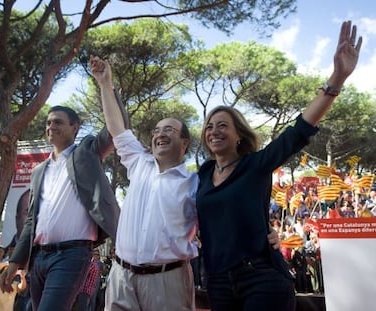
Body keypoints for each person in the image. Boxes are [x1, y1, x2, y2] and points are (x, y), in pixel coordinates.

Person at [195, 20, 362, 311]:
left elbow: (297, 132)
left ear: (239, 136)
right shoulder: (203, 175)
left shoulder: (256, 165)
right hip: (218, 283)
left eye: (223, 125)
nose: (214, 131)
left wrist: (337, 78)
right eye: (209, 127)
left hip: (261, 279)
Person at [90, 56, 280, 311]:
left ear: (184, 143)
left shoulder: (197, 184)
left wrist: (266, 233)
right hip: (121, 278)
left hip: (168, 281)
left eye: (168, 130)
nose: (159, 134)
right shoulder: (138, 162)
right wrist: (105, 84)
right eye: (156, 130)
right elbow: (117, 128)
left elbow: (225, 218)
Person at [0, 89, 129, 311]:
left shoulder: (86, 151)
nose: (51, 127)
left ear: (75, 127)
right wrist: (15, 262)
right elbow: (31, 220)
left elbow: (115, 129)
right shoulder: (39, 171)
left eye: (58, 122)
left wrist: (106, 84)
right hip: (38, 258)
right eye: (48, 123)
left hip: (72, 254)